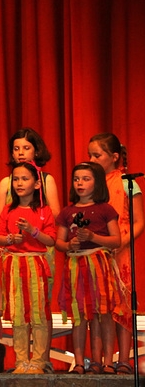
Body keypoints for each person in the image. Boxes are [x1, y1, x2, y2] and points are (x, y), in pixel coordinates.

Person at [0, 127, 60, 373]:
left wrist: (33, 230)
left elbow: (53, 223)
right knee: (18, 311)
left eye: (26, 148)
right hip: (15, 257)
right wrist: (10, 236)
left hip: (40, 256)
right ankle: (22, 359)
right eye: (16, 148)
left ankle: (41, 359)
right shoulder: (7, 189)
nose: (21, 153)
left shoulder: (46, 183)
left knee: (39, 309)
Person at [55, 162, 122, 375]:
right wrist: (70, 246)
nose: (80, 183)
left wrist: (93, 237)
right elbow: (59, 242)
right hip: (76, 266)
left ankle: (106, 361)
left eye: (86, 179)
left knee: (103, 314)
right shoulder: (67, 211)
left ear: (98, 183)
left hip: (99, 265)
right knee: (79, 315)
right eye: (76, 179)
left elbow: (116, 240)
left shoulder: (105, 209)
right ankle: (78, 362)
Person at [88, 133, 144, 374]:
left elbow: (140, 221)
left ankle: (123, 359)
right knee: (99, 305)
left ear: (114, 157)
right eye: (89, 154)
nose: (91, 159)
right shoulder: (92, 183)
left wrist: (121, 242)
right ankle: (101, 359)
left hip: (120, 252)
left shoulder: (126, 183)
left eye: (96, 155)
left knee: (121, 305)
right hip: (96, 251)